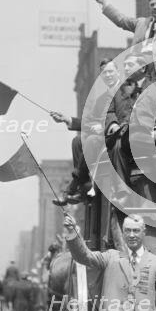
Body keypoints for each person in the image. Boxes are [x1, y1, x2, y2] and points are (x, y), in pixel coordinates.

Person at [105, 52, 156, 207]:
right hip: (125, 134)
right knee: (117, 146)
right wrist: (112, 124)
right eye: (124, 65)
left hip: (149, 134)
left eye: (130, 65)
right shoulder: (117, 89)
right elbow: (109, 111)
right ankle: (122, 191)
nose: (126, 68)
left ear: (142, 68)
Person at [50, 59, 121, 205]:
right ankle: (83, 189)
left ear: (117, 72)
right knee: (77, 141)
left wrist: (106, 127)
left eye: (110, 71)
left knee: (92, 140)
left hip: (121, 135)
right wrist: (67, 119)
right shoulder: (102, 98)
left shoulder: (125, 90)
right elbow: (91, 121)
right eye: (103, 73)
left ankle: (73, 186)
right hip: (105, 137)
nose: (107, 75)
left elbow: (125, 115)